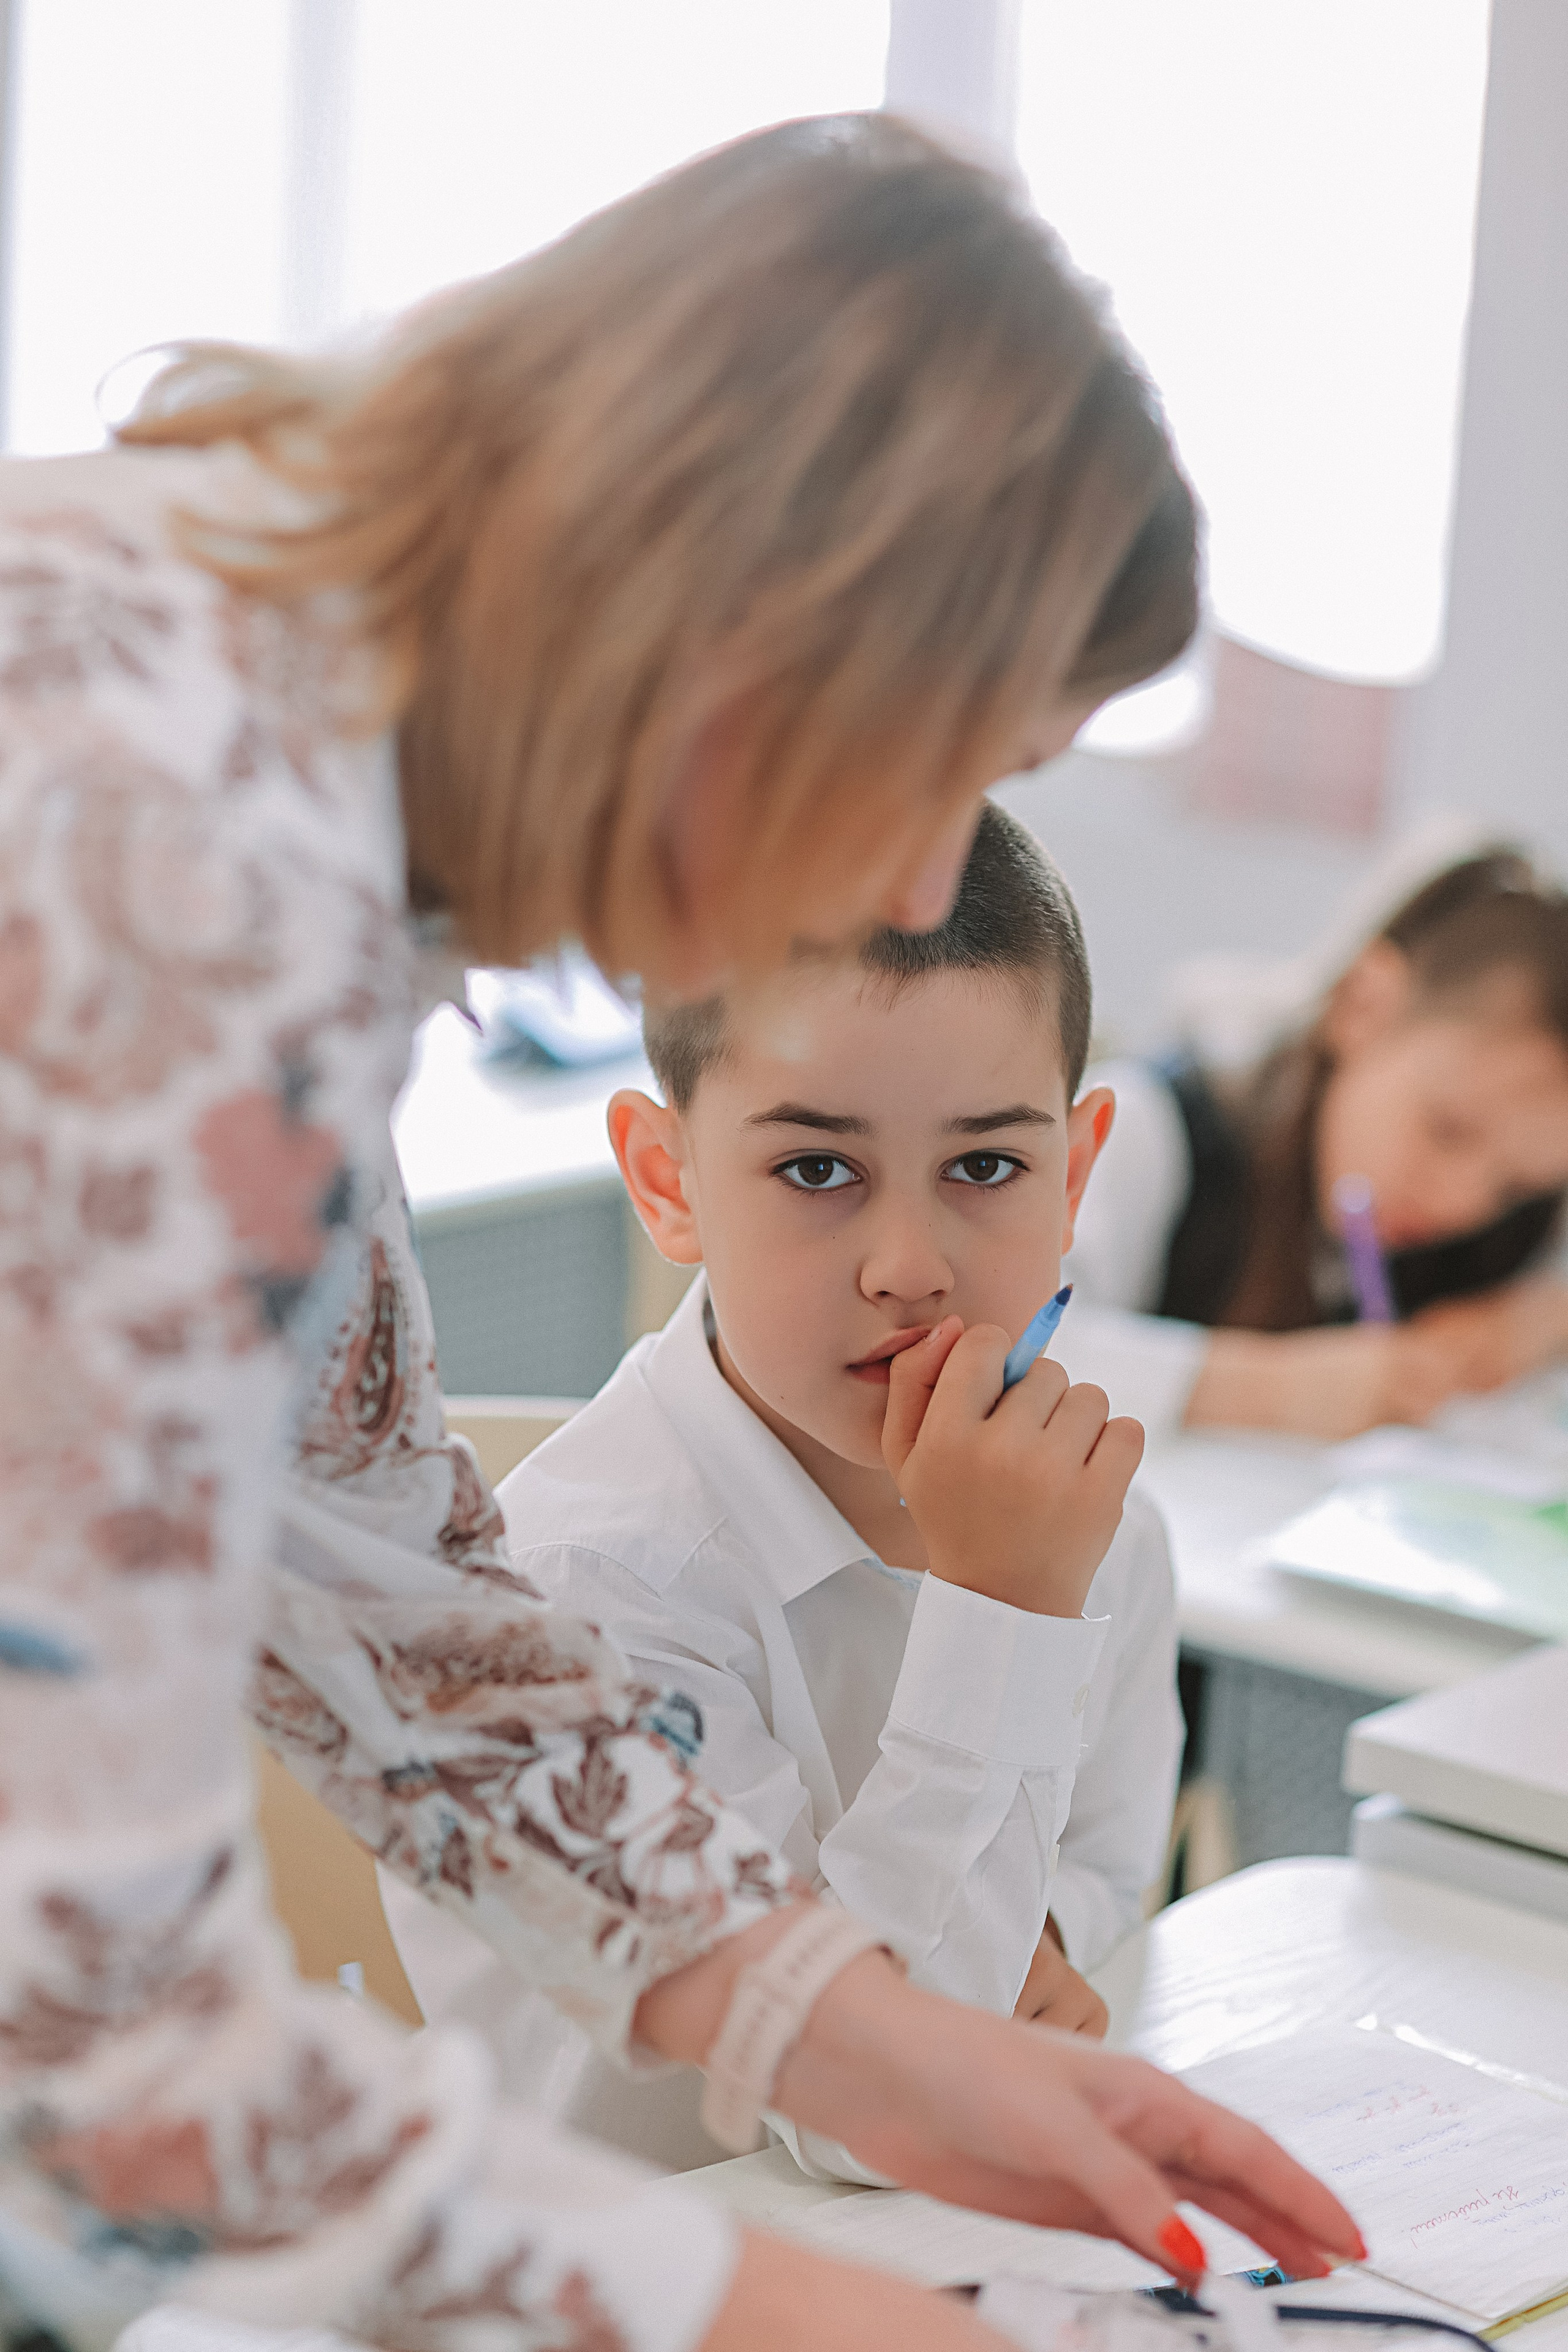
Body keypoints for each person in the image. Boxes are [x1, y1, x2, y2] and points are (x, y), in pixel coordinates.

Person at [0, 113, 1362, 2352]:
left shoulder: (272, 756)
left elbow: (401, 1626)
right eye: (939, 767)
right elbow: (110, 2057)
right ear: (755, 620)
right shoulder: (176, 854)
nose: (925, 890)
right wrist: (794, 2310)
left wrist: (880, 2049)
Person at [385, 807, 1180, 2174]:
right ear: (666, 1177)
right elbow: (855, 2119)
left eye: (986, 1165)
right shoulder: (582, 1596)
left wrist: (1035, 1935)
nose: (908, 1264)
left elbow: (1108, 1872)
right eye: (817, 1169)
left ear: (1077, 1171)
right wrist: (1002, 1607)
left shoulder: (1089, 1527)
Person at [1061, 848, 1568, 1443]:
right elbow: (1007, 1346)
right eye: (1447, 1130)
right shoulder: (1148, 1128)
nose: (1461, 1202)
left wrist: (1531, 1324)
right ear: (1364, 1007)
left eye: (1514, 1188)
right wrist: (1268, 1390)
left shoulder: (1488, 1231)